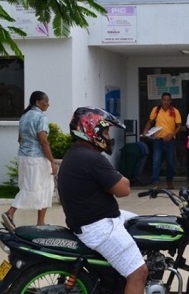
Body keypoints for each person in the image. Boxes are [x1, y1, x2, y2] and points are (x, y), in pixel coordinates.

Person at [58, 107, 148, 294]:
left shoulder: (75, 154)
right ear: (91, 131)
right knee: (138, 273)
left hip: (88, 222)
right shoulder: (92, 159)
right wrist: (118, 180)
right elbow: (124, 189)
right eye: (105, 131)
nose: (108, 137)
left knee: (140, 223)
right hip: (99, 227)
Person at [2, 91, 56, 230]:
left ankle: (40, 222)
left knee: (30, 186)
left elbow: (19, 139)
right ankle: (11, 212)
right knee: (42, 187)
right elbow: (43, 141)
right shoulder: (40, 118)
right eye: (46, 101)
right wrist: (52, 161)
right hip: (37, 158)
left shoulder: (24, 116)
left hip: (23, 157)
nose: (48, 104)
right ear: (38, 102)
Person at [141, 92, 182, 190]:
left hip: (170, 140)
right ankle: (156, 182)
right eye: (164, 99)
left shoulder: (174, 111)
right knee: (156, 161)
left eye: (168, 100)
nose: (166, 102)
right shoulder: (156, 109)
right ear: (161, 100)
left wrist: (172, 134)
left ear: (170, 101)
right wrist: (145, 131)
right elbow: (150, 122)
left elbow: (179, 126)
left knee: (170, 162)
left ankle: (169, 181)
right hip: (158, 140)